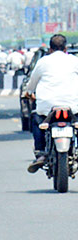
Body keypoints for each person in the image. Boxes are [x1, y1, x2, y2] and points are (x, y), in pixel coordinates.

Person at [23, 34, 78, 172]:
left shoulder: (43, 62)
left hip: (47, 107)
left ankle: (40, 153)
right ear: (65, 48)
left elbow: (32, 84)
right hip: (72, 106)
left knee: (37, 119)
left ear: (50, 49)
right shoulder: (74, 60)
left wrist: (29, 92)